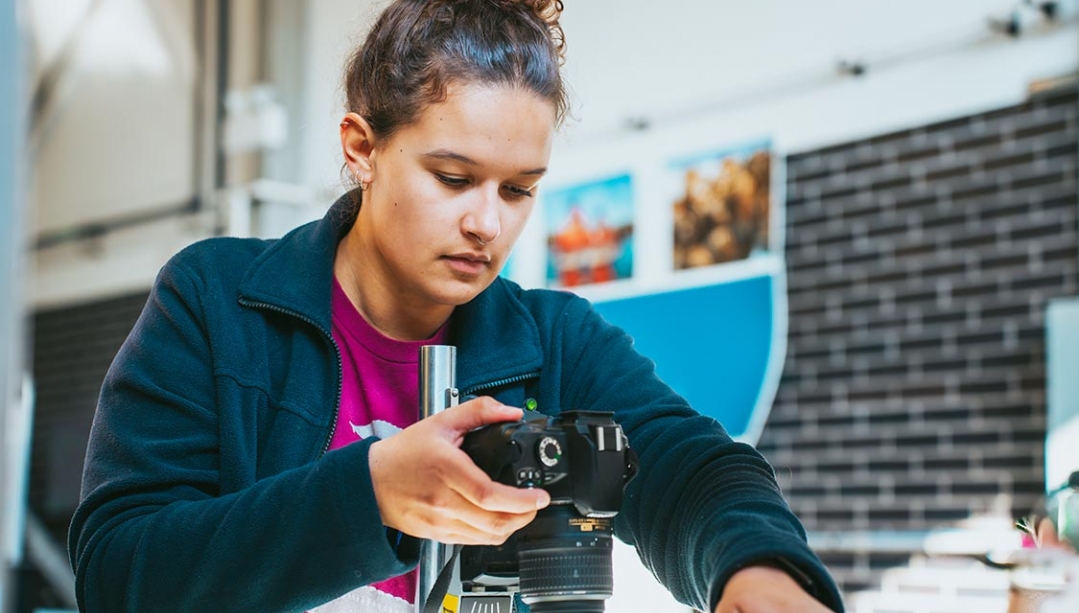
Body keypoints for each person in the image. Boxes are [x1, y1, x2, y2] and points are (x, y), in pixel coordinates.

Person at [68, 1, 845, 612]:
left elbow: (689, 466)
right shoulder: (215, 302)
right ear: (360, 147)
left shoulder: (556, 342)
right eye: (451, 177)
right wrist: (368, 493)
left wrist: (760, 566)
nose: (487, 222)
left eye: (517, 189)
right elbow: (122, 575)